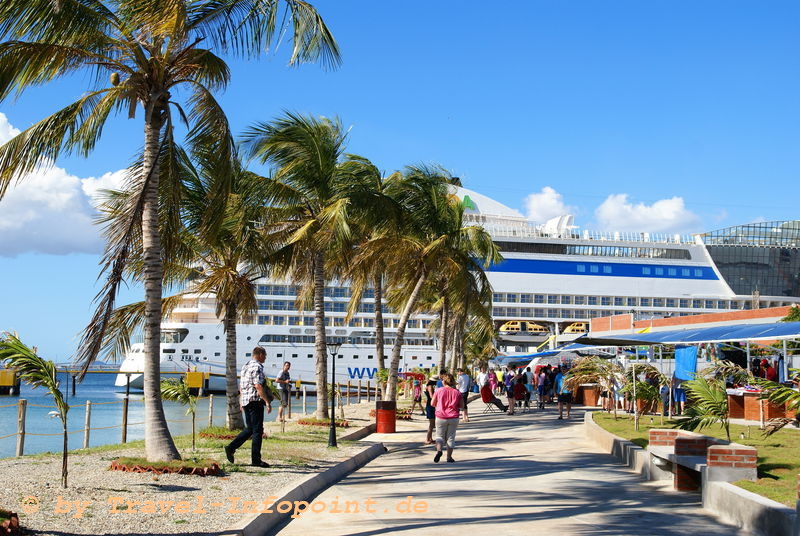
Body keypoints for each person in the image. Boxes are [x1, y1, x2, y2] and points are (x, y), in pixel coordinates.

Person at [225, 346, 273, 467]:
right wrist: (266, 401)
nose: (265, 358)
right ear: (260, 354)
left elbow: (242, 385)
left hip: (246, 400)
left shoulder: (245, 366)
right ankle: (256, 460)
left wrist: (242, 401)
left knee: (250, 429)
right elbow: (258, 385)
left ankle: (231, 447)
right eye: (265, 355)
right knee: (257, 430)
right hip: (255, 401)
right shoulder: (257, 367)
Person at [431, 373, 464, 463]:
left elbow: (432, 403)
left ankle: (439, 451)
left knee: (439, 436)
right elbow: (462, 405)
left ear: (444, 381)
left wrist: (440, 405)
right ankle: (449, 457)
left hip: (441, 416)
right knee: (451, 438)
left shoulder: (438, 391)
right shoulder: (457, 392)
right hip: (453, 417)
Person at [424, 376, 437, 444]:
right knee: (431, 424)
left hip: (430, 405)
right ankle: (427, 439)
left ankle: (430, 438)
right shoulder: (430, 386)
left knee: (432, 424)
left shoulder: (429, 385)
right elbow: (431, 396)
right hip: (430, 405)